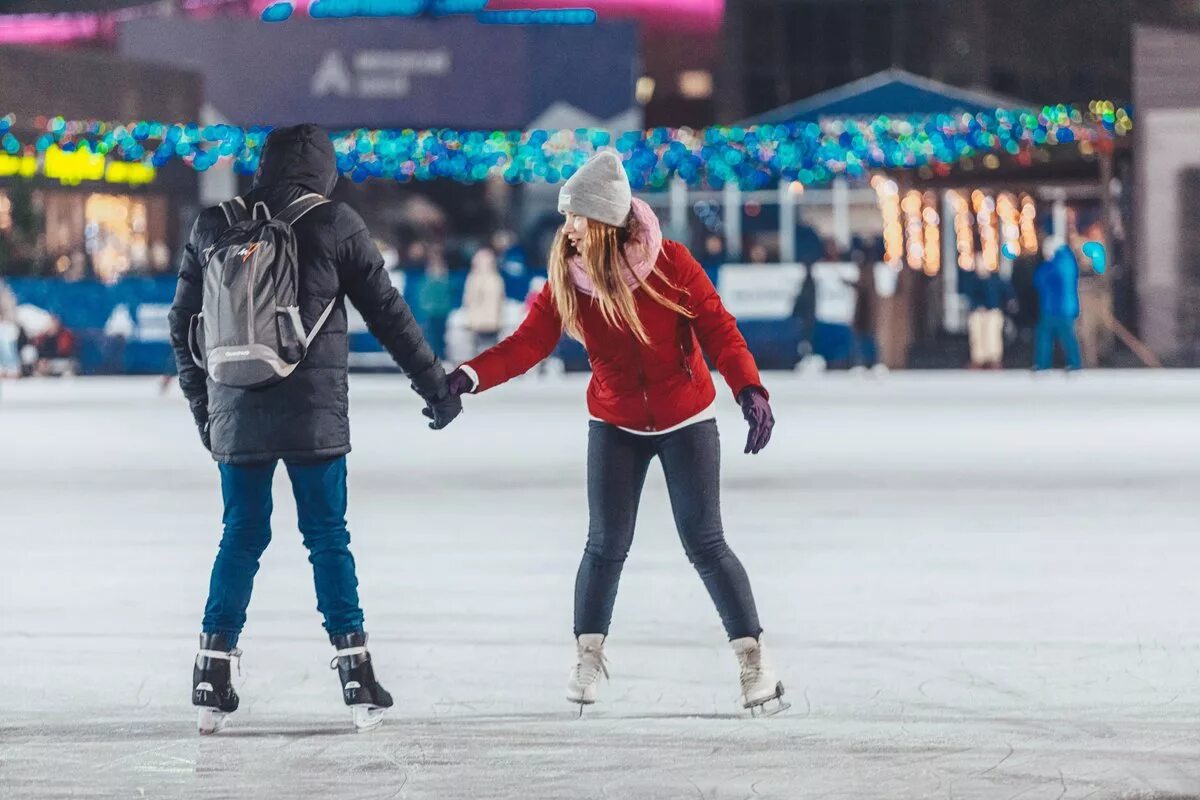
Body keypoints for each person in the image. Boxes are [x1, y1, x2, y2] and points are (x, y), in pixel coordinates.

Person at [444, 152, 785, 715]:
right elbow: (528, 343)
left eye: (576, 216)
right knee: (605, 545)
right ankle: (588, 653)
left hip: (686, 417)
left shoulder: (671, 263)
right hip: (614, 420)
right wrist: (468, 377)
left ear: (603, 219)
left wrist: (749, 389)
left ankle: (754, 661)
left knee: (705, 542)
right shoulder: (569, 278)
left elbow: (719, 328)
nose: (567, 227)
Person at [168, 124, 462, 735]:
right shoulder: (336, 224)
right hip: (313, 412)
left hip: (238, 408)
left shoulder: (213, 224)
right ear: (323, 168)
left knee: (241, 535)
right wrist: (436, 387)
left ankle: (210, 670)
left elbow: (182, 326)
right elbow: (389, 314)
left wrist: (206, 413)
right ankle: (355, 673)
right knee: (327, 535)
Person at [1033, 236, 1083, 372]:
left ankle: (1070, 363)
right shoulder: (1066, 261)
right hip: (1060, 307)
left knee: (1056, 335)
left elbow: (1040, 279)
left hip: (1057, 308)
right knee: (1058, 336)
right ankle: (1071, 363)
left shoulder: (1059, 263)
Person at [966, 256, 1015, 370]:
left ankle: (994, 359)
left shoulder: (996, 280)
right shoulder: (973, 281)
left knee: (992, 334)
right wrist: (978, 307)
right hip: (978, 312)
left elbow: (1007, 292)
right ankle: (978, 359)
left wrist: (1010, 301)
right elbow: (971, 296)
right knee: (977, 335)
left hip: (993, 311)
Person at [461, 246, 506, 356]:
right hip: (484, 322)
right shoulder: (494, 279)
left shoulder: (477, 279)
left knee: (484, 350)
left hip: (485, 322)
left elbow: (468, 300)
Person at [417, 255, 454, 361]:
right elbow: (423, 299)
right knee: (432, 338)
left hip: (443, 314)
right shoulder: (426, 282)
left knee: (443, 339)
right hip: (431, 315)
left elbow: (448, 298)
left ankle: (442, 357)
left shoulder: (446, 282)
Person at [0, 277, 20, 378]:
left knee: (6, 345)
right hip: (4, 324)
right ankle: (3, 367)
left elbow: (10, 314)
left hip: (8, 325)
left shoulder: (8, 296)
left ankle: (13, 367)